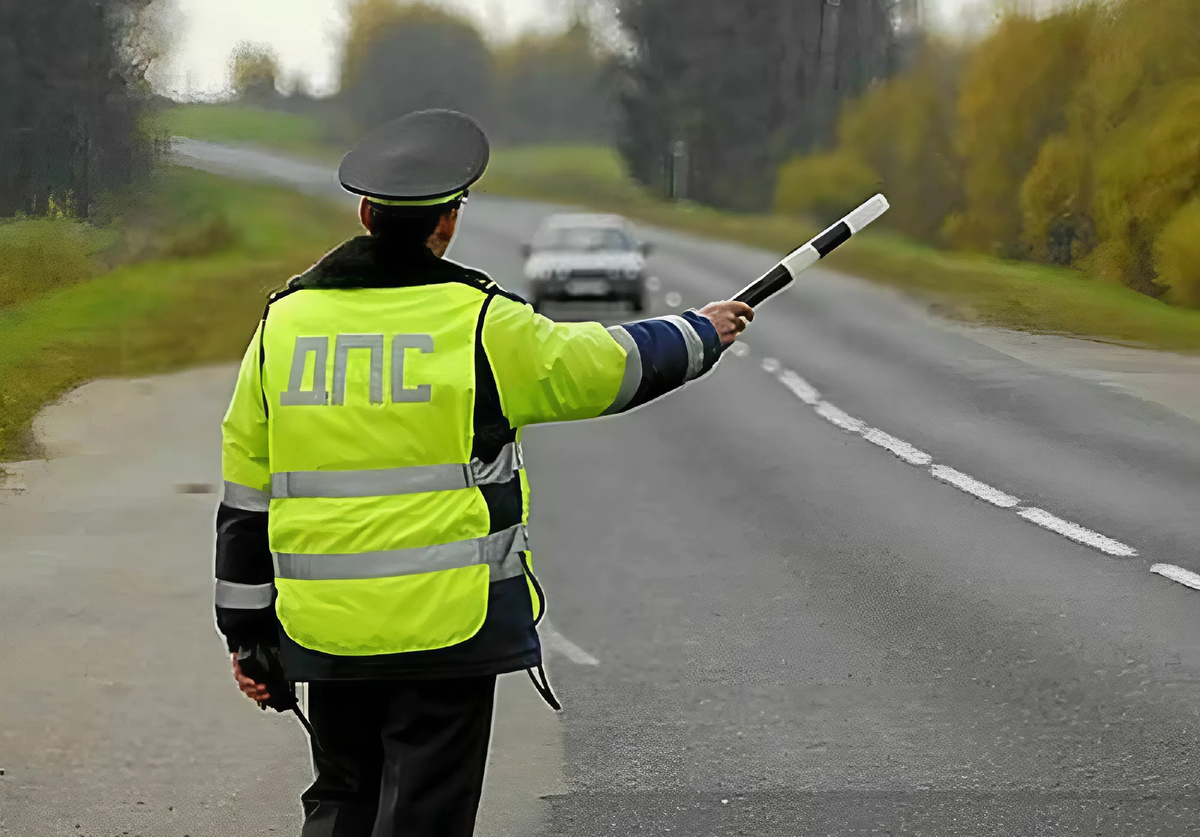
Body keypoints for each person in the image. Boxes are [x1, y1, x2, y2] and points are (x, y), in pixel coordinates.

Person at [213, 108, 754, 836]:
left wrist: (247, 636)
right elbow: (601, 366)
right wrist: (698, 332)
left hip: (328, 629)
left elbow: (246, 491)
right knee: (425, 813)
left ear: (366, 214)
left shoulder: (283, 325)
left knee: (342, 798)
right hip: (448, 627)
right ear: (448, 222)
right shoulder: (479, 322)